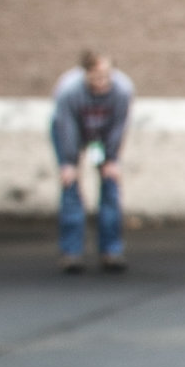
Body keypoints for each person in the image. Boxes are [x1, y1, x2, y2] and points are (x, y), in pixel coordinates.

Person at [51, 50, 133, 273]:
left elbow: (118, 126)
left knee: (110, 186)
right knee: (70, 188)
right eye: (97, 76)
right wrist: (68, 162)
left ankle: (111, 251)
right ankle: (71, 253)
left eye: (106, 75)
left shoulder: (122, 91)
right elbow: (65, 126)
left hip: (102, 134)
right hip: (71, 130)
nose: (102, 82)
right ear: (85, 74)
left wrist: (111, 158)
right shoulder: (69, 91)